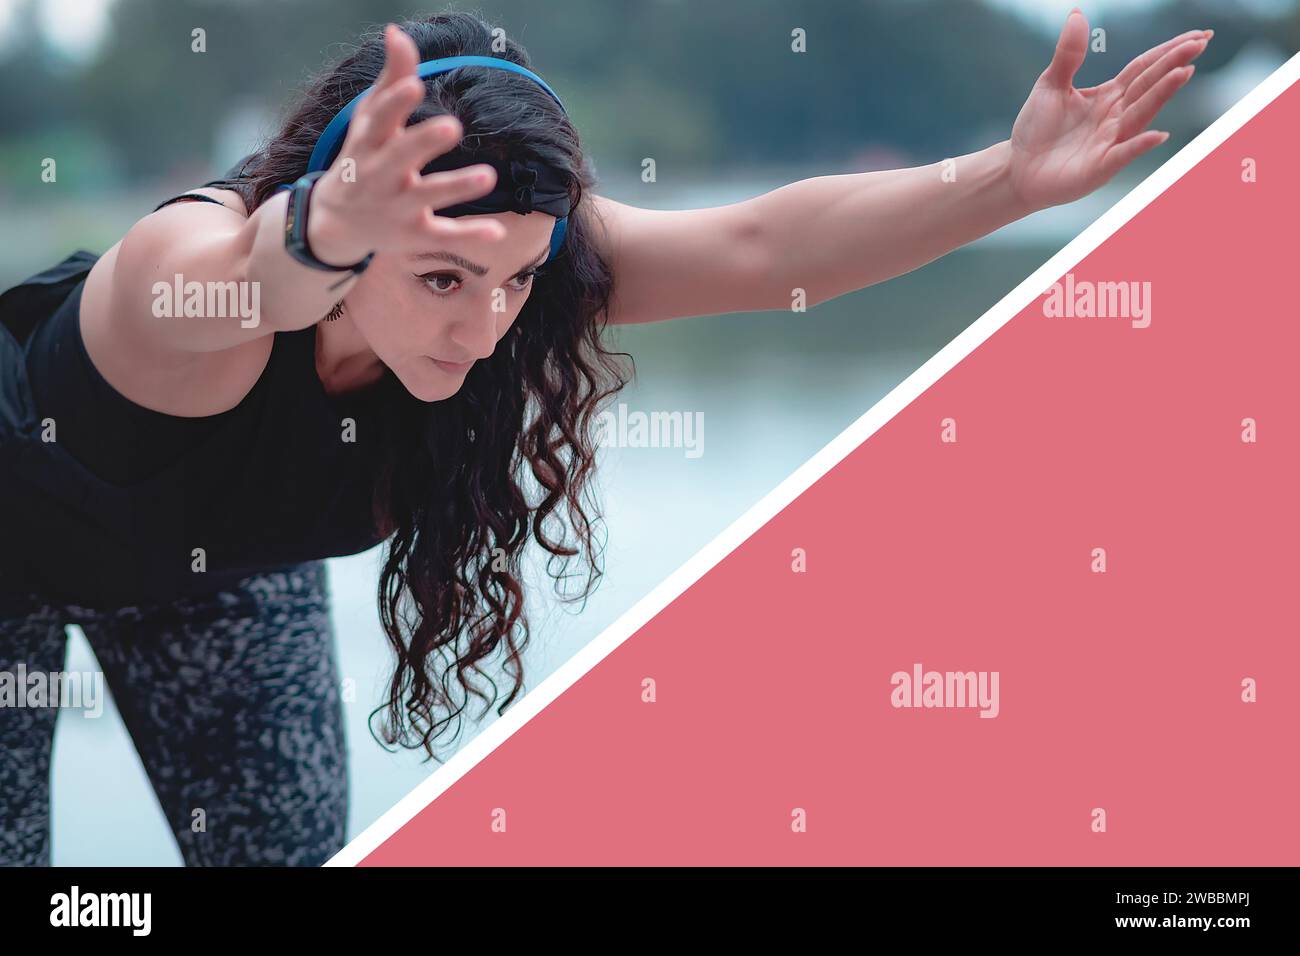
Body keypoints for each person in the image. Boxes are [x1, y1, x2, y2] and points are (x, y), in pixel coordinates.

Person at [0, 9, 1210, 866]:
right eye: (437, 279)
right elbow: (248, 280)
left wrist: (1006, 180)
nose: (482, 328)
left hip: (217, 576)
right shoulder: (191, 271)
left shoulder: (511, 266)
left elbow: (762, 253)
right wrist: (323, 232)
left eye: (515, 281)